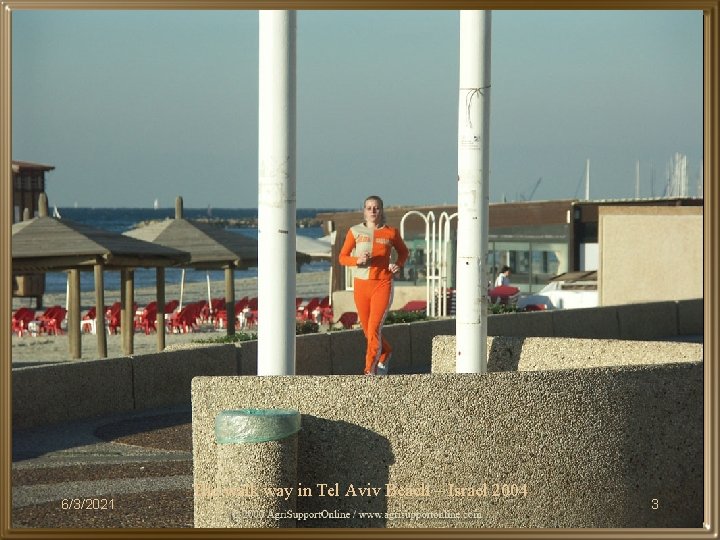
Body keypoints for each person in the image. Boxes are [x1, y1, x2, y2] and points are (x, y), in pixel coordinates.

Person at [339, 195, 409, 375]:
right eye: (369, 208)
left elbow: (403, 252)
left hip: (382, 283)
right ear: (364, 211)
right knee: (367, 330)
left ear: (381, 210)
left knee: (374, 328)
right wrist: (357, 260)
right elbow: (342, 258)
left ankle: (370, 371)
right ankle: (385, 351)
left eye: (376, 208)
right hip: (361, 285)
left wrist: (397, 265)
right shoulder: (354, 231)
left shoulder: (391, 232)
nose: (372, 211)